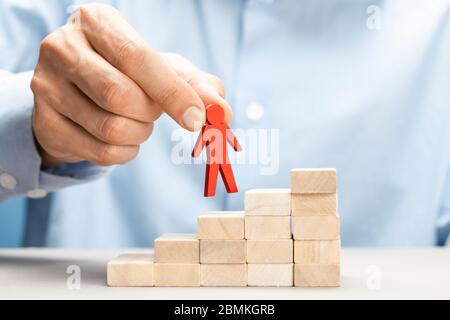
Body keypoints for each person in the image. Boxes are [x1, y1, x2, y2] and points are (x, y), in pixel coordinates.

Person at [0, 0, 449, 248]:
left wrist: (213, 145)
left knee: (221, 175)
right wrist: (32, 122)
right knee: (221, 175)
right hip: (215, 159)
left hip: (219, 159)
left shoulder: (437, 26)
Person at [192, 104, 243, 197]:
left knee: (216, 174)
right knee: (220, 174)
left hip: (216, 157)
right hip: (219, 157)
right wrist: (237, 147)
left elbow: (201, 143)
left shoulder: (214, 128)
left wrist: (196, 152)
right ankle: (214, 191)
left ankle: (219, 190)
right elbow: (232, 139)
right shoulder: (217, 127)